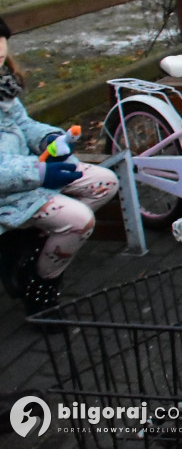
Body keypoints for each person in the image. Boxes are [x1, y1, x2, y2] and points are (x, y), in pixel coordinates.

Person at [0, 18, 118, 317]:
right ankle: (41, 284)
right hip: (9, 191)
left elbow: (23, 124)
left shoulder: (2, 86)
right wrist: (39, 171)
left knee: (105, 182)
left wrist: (50, 139)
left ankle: (30, 252)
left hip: (28, 176)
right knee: (80, 221)